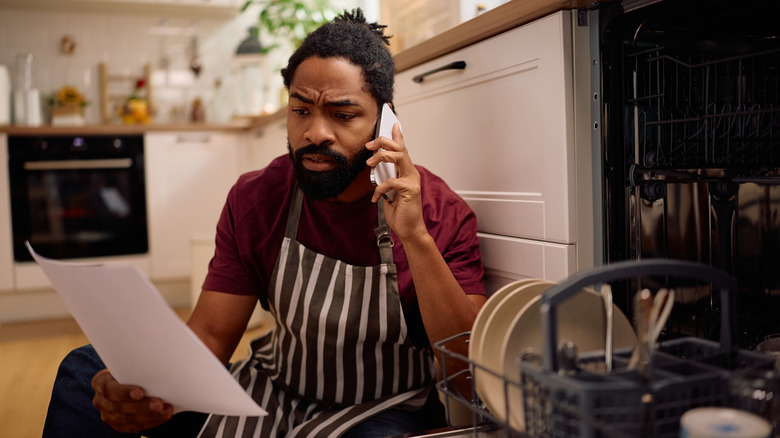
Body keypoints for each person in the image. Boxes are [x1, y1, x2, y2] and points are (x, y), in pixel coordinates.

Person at [42, 9, 486, 438]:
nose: (316, 133)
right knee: (87, 371)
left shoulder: (438, 213)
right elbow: (213, 333)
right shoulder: (258, 197)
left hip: (380, 409)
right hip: (272, 390)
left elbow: (468, 376)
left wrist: (414, 236)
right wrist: (150, 394)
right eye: (301, 110)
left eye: (343, 114)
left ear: (387, 121)